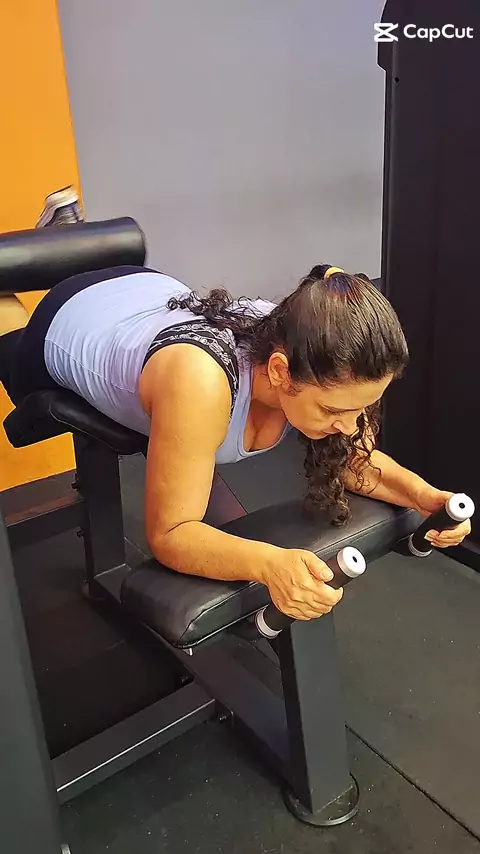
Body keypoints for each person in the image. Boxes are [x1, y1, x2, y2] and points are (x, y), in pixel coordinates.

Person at [0, 263, 470, 621]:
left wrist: (425, 498)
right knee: (6, 338)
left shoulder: (309, 342)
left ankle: (66, 241)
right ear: (280, 372)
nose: (350, 427)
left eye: (360, 409)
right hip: (69, 319)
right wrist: (270, 565)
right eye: (332, 411)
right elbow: (170, 534)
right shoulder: (200, 381)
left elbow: (355, 461)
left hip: (145, 290)